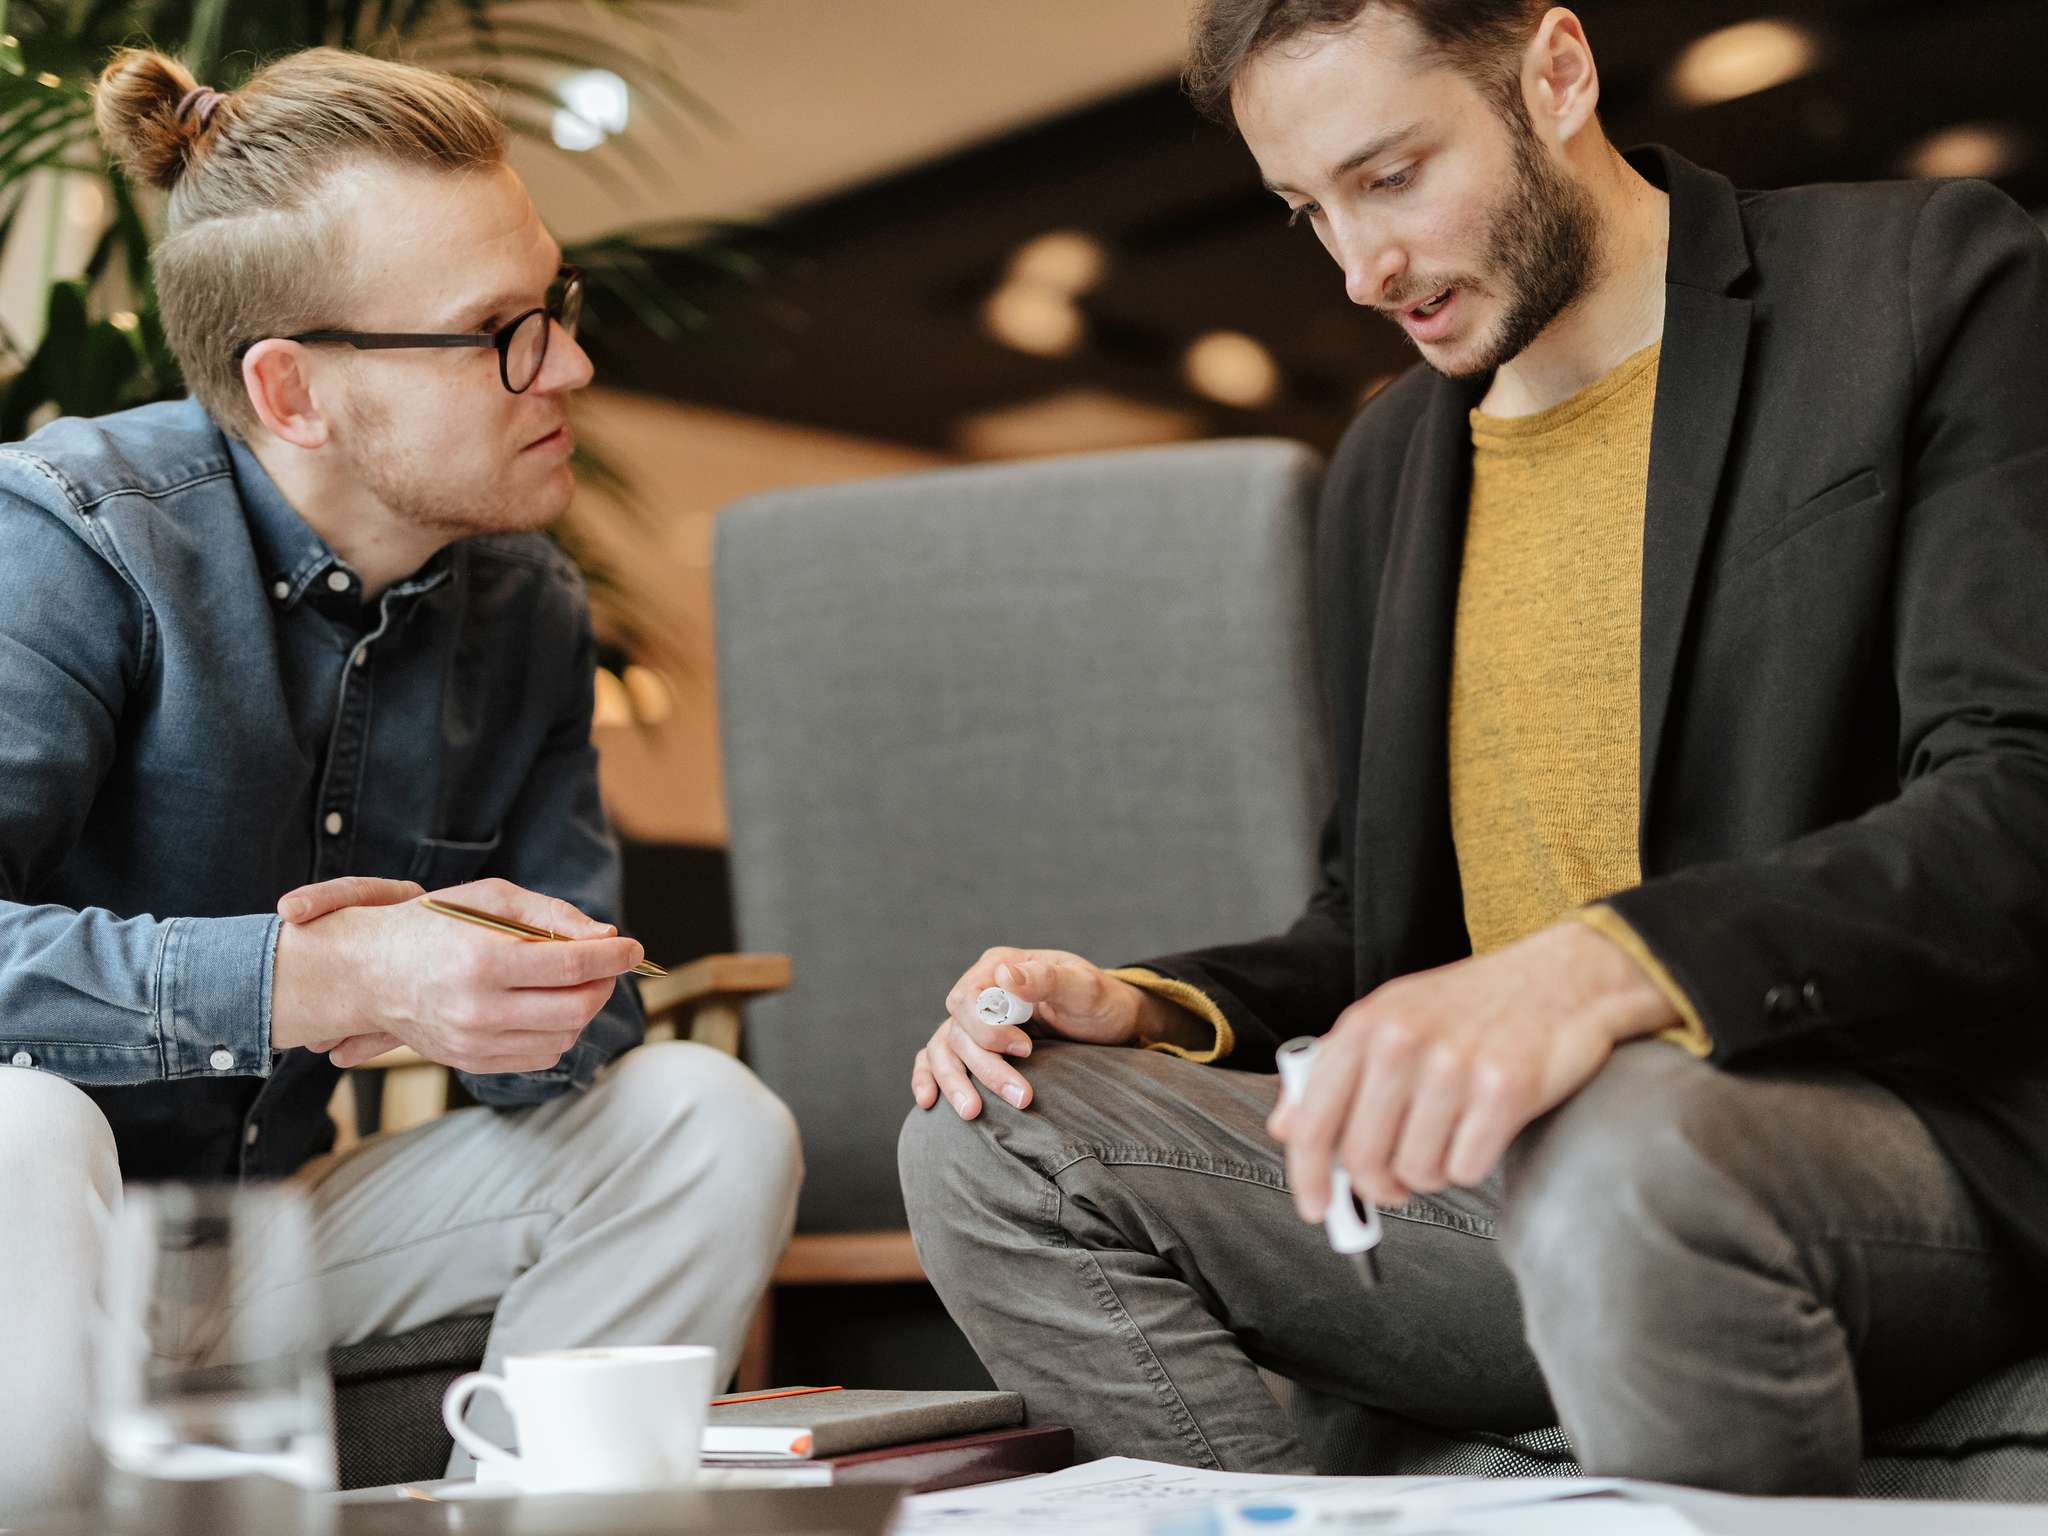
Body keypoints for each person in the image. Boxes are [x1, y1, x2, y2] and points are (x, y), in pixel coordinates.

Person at [899, 0, 2048, 1496]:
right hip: (1505, 1183)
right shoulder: (1386, 465)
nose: (1360, 269)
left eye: (1391, 177)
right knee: (990, 1134)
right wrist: (1146, 1006)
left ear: (1555, 72)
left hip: (1883, 1150)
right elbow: (1370, 939)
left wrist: (1601, 969)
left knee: (1632, 1143)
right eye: (1307, 210)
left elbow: (2017, 800)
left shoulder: (1928, 284)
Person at [0, 47, 799, 1520]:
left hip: (257, 1244)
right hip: (26, 1256)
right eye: (499, 332)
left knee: (705, 1116)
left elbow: (590, 1024)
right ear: (291, 390)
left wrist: (514, 992)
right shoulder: (68, 540)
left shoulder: (529, 610)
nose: (568, 365)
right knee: (23, 1129)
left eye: (552, 305)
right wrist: (314, 979)